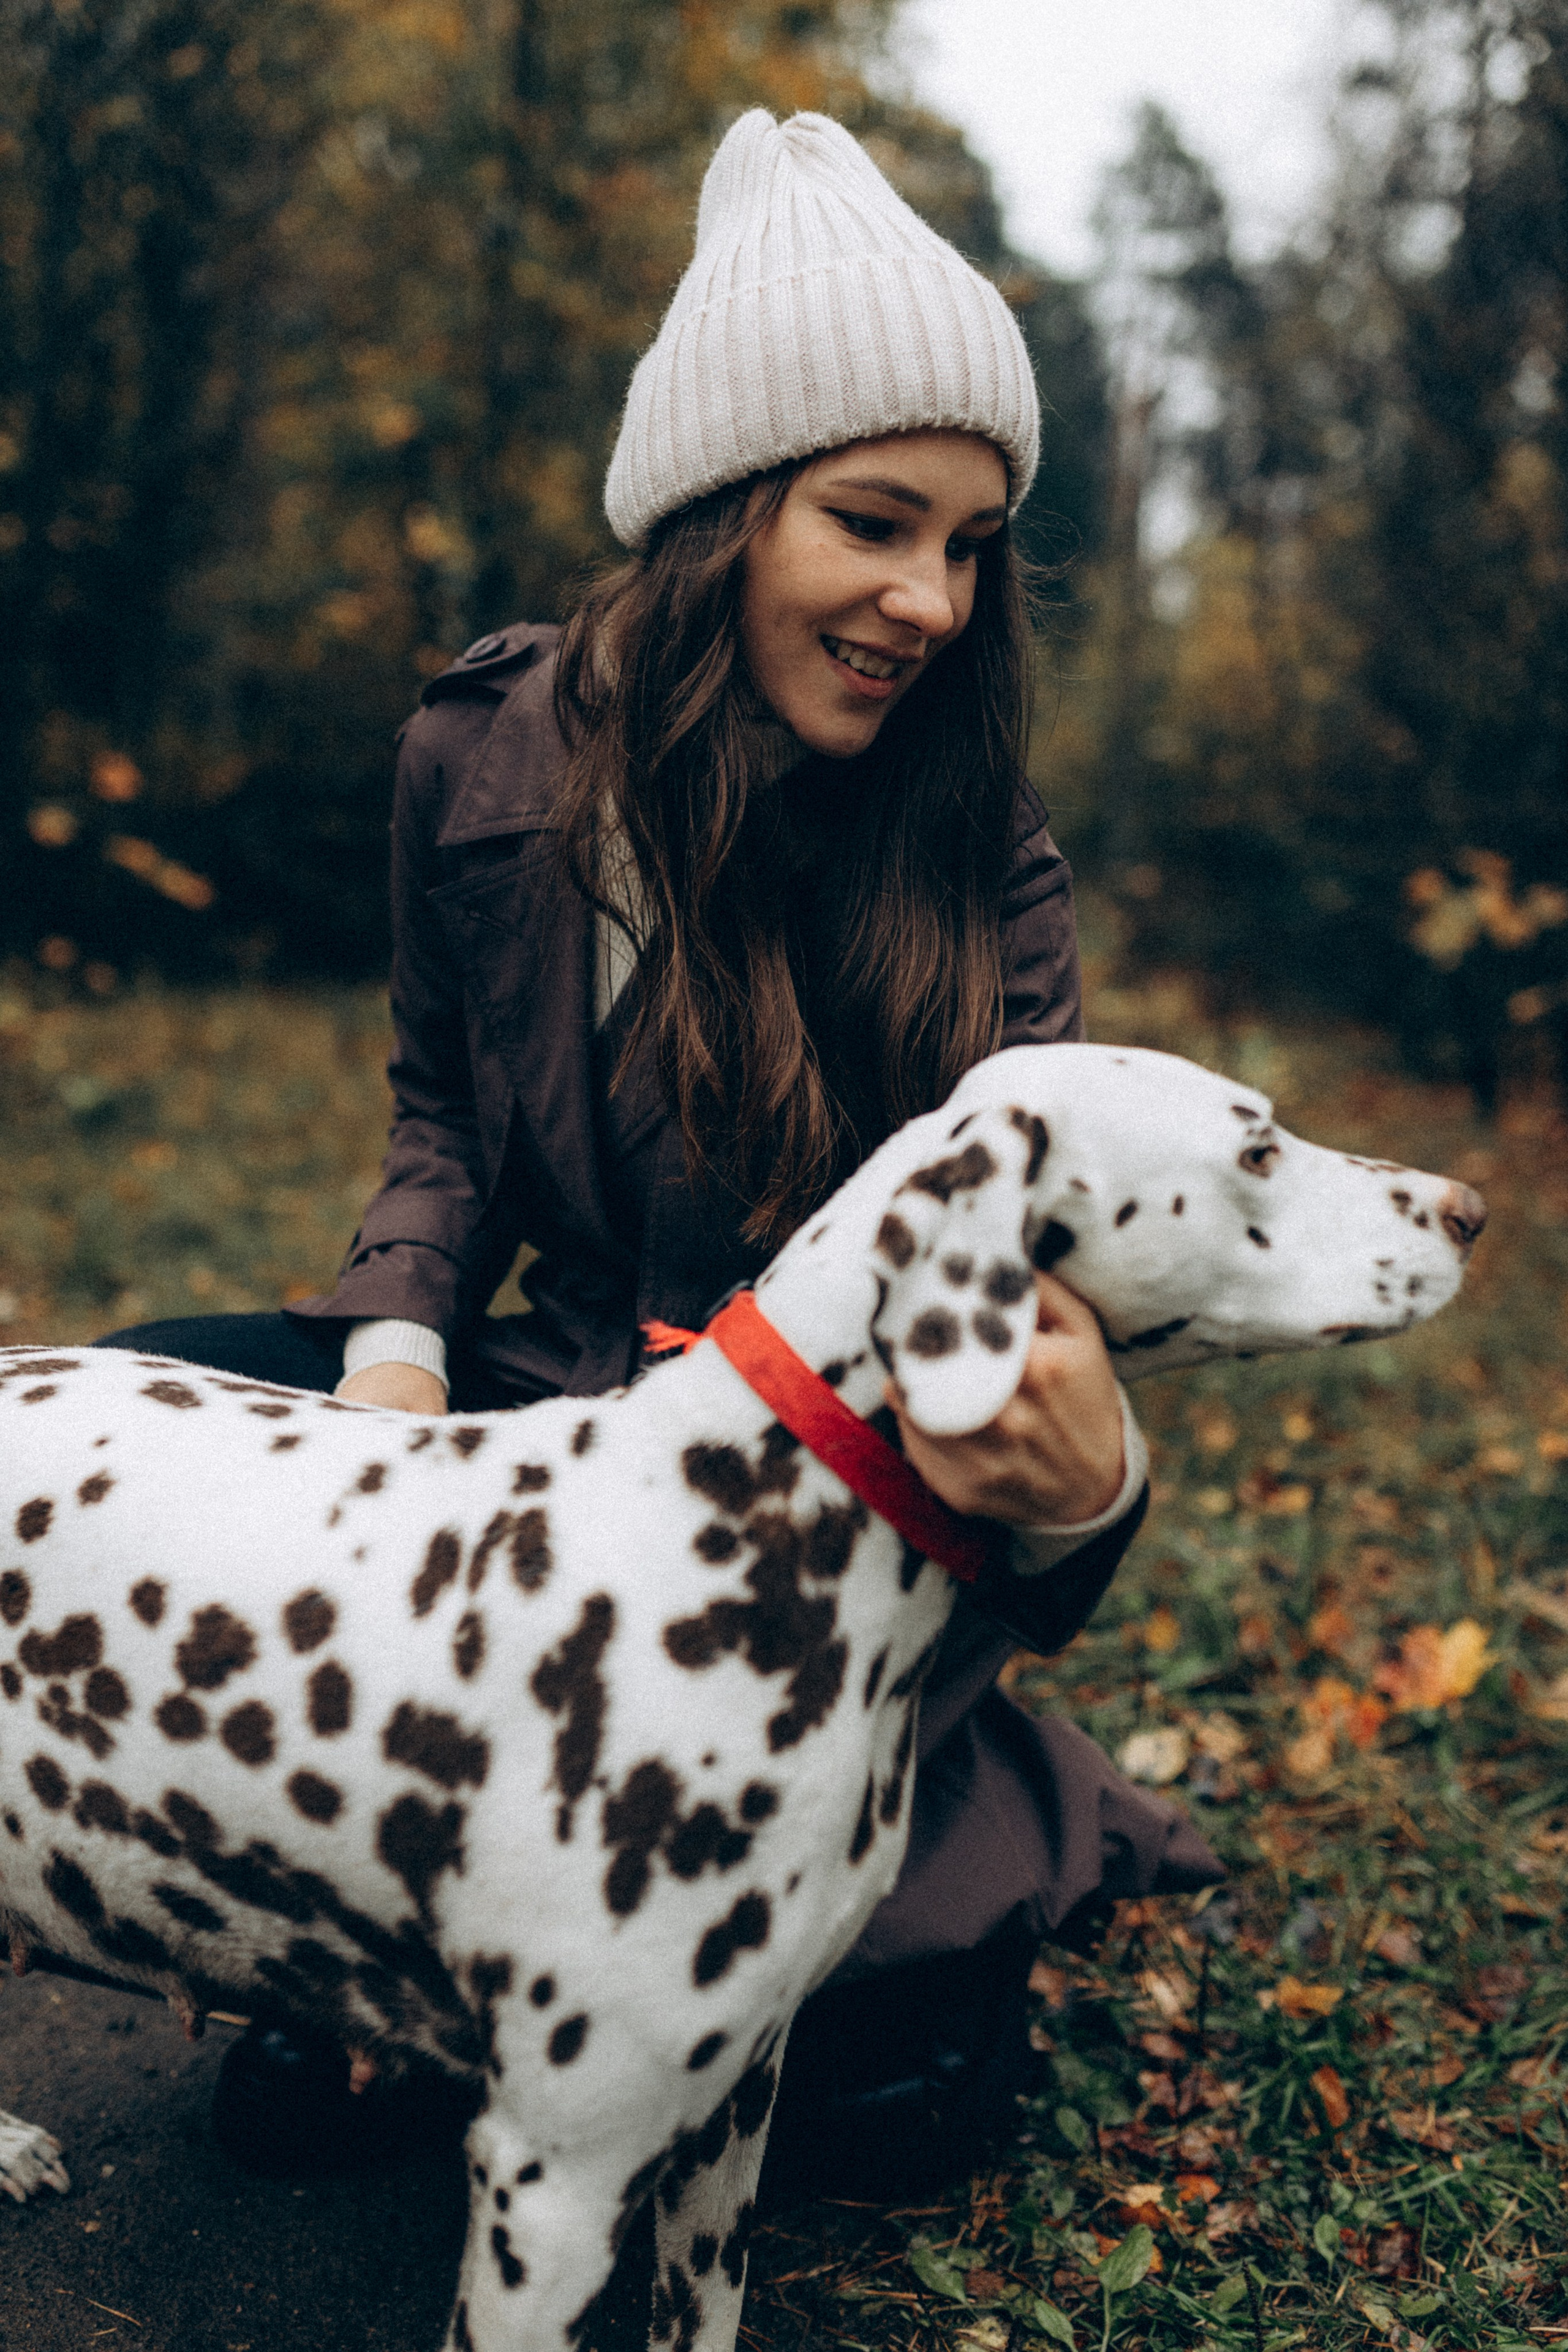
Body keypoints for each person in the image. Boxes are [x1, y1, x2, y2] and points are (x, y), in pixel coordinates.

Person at [96, 110, 1219, 2186]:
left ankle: (531, 1953)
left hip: (800, 1529)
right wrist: (396, 1375)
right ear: (718, 517)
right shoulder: (480, 758)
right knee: (171, 1406)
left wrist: (1092, 1488)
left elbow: (1051, 1320)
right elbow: (441, 1115)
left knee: (889, 2091)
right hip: (539, 1430)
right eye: (876, 524)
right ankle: (388, 1927)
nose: (931, 601)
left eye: (971, 544)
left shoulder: (987, 872)